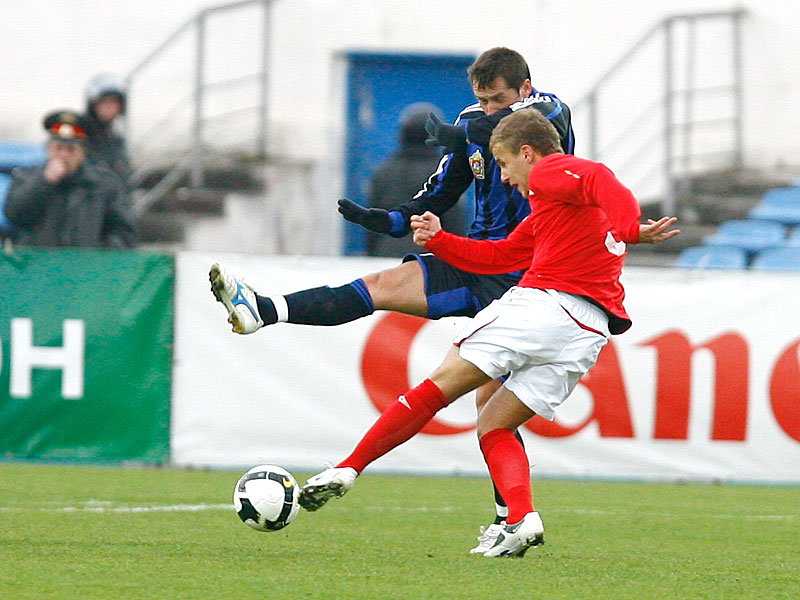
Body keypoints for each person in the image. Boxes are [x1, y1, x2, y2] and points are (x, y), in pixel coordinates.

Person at [209, 47, 574, 550]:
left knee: (490, 406)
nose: (489, 108)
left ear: (525, 88)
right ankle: (263, 310)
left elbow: (526, 123)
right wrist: (391, 218)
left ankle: (508, 518)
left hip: (528, 274)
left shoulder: (549, 112)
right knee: (381, 286)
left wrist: (470, 131)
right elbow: (440, 192)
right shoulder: (471, 125)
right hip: (476, 259)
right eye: (482, 99)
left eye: (498, 99)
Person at [297, 108, 680, 557]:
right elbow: (499, 258)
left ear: (527, 152)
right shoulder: (555, 213)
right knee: (495, 424)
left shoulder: (551, 172)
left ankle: (347, 468)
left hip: (547, 306)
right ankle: (522, 518)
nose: (504, 178)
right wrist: (440, 240)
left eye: (503, 164)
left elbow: (600, 177)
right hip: (586, 331)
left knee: (440, 386)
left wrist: (631, 228)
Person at [3, 110, 136, 248]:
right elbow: (15, 217)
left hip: (85, 261)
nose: (63, 155)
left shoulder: (105, 185)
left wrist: (99, 253)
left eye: (71, 149)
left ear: (83, 153)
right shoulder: (25, 177)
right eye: (58, 148)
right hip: (37, 260)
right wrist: (44, 182)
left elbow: (123, 232)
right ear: (48, 150)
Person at [366, 103, 467, 257]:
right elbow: (453, 220)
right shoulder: (444, 173)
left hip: (386, 251)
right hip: (429, 254)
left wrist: (371, 255)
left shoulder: (383, 171)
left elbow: (372, 221)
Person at [84, 73, 131, 186]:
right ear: (93, 104)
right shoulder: (81, 133)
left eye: (114, 102)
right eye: (104, 102)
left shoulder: (115, 138)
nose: (110, 107)